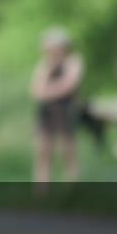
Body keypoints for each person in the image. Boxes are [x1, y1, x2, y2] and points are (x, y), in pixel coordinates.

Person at [30, 27, 84, 187]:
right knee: (43, 152)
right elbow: (35, 89)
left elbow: (69, 86)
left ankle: (72, 188)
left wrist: (47, 91)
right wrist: (50, 78)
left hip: (66, 110)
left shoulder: (73, 61)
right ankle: (42, 189)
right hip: (46, 112)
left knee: (68, 152)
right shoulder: (45, 64)